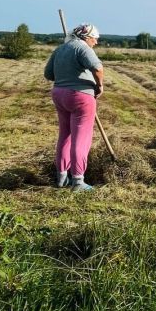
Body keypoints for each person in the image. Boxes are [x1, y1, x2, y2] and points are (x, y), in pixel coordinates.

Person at [43, 23, 104, 191]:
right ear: (87, 37)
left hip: (59, 94)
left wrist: (65, 73)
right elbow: (98, 68)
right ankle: (78, 181)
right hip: (80, 97)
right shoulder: (83, 48)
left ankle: (61, 178)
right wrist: (99, 86)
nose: (96, 43)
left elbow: (48, 74)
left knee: (65, 135)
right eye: (95, 39)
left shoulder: (61, 49)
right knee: (81, 138)